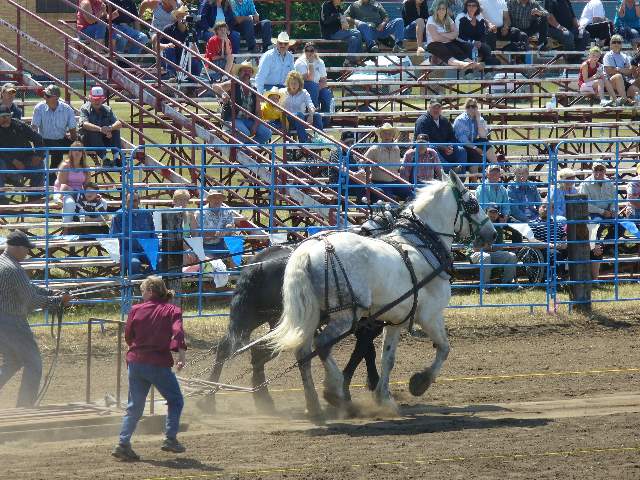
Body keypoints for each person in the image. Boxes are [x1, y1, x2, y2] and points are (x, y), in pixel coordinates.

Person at [112, 276, 187, 461]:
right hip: (158, 363)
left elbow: (128, 336)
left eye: (143, 291)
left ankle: (123, 443)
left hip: (136, 363)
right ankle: (170, 438)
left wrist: (136, 348)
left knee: (135, 406)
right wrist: (181, 355)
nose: (141, 294)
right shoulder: (172, 310)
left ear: (151, 291)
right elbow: (178, 333)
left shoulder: (136, 310)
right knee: (175, 400)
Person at [0, 230, 71, 407]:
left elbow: (27, 287)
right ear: (16, 248)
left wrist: (51, 293)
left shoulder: (5, 262)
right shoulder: (13, 269)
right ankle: (25, 406)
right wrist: (58, 300)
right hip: (12, 322)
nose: (28, 252)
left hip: (3, 321)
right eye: (26, 249)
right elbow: (31, 300)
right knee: (33, 364)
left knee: (13, 361)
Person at [213, 61, 272, 145]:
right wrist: (223, 93)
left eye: (249, 71)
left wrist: (255, 126)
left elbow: (258, 112)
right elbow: (215, 86)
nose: (247, 73)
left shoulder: (254, 89)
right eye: (244, 71)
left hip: (248, 120)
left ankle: (245, 151)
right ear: (239, 72)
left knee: (267, 133)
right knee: (245, 133)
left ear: (252, 74)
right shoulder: (233, 83)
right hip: (232, 119)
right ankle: (244, 151)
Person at [31, 84, 78, 184]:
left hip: (60, 139)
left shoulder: (67, 109)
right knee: (57, 148)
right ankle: (52, 178)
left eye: (47, 96)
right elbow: (34, 128)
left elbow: (73, 130)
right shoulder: (39, 108)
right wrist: (35, 143)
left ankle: (77, 175)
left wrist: (76, 143)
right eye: (45, 95)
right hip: (44, 140)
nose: (45, 97)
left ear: (56, 98)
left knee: (79, 146)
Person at [0, 106, 45, 205]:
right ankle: (1, 198)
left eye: (8, 116)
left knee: (40, 164)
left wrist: (39, 155)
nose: (6, 119)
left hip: (25, 161)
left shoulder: (19, 125)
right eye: (2, 117)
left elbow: (38, 139)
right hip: (5, 164)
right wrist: (13, 161)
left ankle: (35, 196)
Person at [470, 205, 517, 289]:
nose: (493, 214)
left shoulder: (498, 227)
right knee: (486, 257)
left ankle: (507, 284)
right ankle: (484, 286)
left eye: (495, 212)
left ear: (498, 214)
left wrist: (488, 247)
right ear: (485, 213)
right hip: (475, 254)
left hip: (491, 253)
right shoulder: (478, 225)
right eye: (491, 212)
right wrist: (488, 247)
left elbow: (500, 247)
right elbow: (475, 249)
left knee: (511, 256)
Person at [414, 99, 467, 172]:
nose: (436, 110)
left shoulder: (444, 120)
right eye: (434, 107)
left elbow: (452, 136)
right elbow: (423, 141)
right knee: (431, 149)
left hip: (444, 149)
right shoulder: (422, 121)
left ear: (441, 109)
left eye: (438, 107)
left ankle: (461, 176)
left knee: (461, 150)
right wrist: (442, 147)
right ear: (429, 108)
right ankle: (450, 170)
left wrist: (450, 146)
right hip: (425, 149)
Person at [110, 192, 157, 275]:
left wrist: (154, 248)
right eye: (129, 201)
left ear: (139, 201)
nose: (132, 203)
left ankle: (144, 280)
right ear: (125, 202)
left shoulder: (146, 214)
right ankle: (138, 284)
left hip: (146, 249)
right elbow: (114, 237)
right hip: (128, 250)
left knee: (160, 260)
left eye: (134, 201)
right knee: (134, 263)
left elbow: (152, 233)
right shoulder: (118, 216)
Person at [453, 98, 497, 182]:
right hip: (460, 146)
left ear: (476, 108)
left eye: (473, 106)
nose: (470, 109)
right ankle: (474, 184)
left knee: (485, 143)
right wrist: (476, 148)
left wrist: (477, 118)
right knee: (475, 154)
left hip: (472, 143)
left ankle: (496, 168)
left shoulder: (479, 119)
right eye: (468, 106)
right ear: (465, 108)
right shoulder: (460, 120)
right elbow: (463, 140)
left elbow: (483, 136)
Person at [360, 123, 408, 200]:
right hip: (379, 182)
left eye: (389, 133)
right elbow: (362, 162)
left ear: (393, 135)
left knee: (410, 193)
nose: (387, 135)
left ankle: (406, 210)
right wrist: (367, 165)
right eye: (384, 133)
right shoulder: (374, 149)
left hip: (395, 181)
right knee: (389, 198)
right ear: (381, 136)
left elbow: (398, 166)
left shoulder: (396, 148)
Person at [426, 0, 479, 69]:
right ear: (436, 10)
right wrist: (450, 37)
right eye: (439, 9)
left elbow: (456, 33)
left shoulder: (448, 19)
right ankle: (461, 64)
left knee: (457, 47)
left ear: (446, 10)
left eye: (443, 9)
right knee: (444, 49)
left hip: (447, 42)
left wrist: (442, 34)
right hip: (434, 44)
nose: (441, 11)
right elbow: (436, 38)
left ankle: (470, 62)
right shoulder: (431, 20)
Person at [79, 86, 123, 167]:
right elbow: (85, 124)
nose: (97, 101)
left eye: (99, 99)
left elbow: (119, 123)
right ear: (90, 98)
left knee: (116, 131)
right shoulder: (85, 109)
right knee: (93, 131)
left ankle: (116, 158)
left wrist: (110, 128)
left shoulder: (107, 109)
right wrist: (100, 129)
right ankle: (105, 159)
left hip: (103, 138)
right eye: (94, 99)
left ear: (103, 99)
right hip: (87, 140)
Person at [294, 42, 334, 127]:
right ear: (304, 51)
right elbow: (309, 78)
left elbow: (324, 81)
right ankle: (313, 116)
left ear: (315, 51)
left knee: (326, 94)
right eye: (307, 50)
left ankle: (325, 122)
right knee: (312, 85)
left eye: (311, 50)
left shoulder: (320, 62)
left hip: (317, 88)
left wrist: (317, 88)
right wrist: (311, 63)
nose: (309, 53)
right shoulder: (300, 62)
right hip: (302, 88)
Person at [579, 162, 618, 246]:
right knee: (597, 225)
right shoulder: (585, 184)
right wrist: (602, 212)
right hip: (592, 213)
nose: (599, 172)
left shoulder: (609, 182)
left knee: (622, 225)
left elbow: (614, 199)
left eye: (601, 169)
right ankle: (595, 248)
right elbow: (586, 204)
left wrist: (613, 210)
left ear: (605, 171)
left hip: (608, 212)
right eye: (596, 169)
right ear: (592, 171)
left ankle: (604, 245)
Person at [159, 6, 204, 79]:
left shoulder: (192, 31)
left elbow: (196, 51)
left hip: (185, 59)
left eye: (186, 16)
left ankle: (193, 86)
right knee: (169, 49)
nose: (184, 18)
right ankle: (172, 75)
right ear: (177, 17)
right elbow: (158, 45)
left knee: (196, 63)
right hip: (171, 59)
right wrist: (167, 45)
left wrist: (193, 47)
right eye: (182, 16)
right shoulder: (168, 29)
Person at [281, 71, 324, 144]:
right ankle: (304, 142)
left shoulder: (304, 92)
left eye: (296, 83)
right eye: (292, 83)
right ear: (288, 83)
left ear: (300, 84)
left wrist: (311, 115)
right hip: (287, 119)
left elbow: (311, 105)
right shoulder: (282, 92)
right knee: (299, 114)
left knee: (317, 116)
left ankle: (320, 140)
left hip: (300, 119)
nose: (293, 85)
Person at [53, 142, 89, 224]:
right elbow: (63, 185)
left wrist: (93, 193)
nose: (77, 152)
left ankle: (91, 229)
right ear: (71, 152)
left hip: (78, 193)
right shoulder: (65, 165)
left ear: (83, 153)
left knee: (101, 202)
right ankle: (66, 230)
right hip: (63, 192)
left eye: (79, 150)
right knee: (70, 203)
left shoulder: (86, 167)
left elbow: (87, 185)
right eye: (74, 150)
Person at [320, 0, 364, 67]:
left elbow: (343, 20)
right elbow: (325, 21)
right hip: (329, 33)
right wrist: (337, 16)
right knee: (357, 33)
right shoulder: (326, 5)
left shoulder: (339, 8)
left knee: (354, 39)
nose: (341, 1)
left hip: (339, 32)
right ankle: (358, 58)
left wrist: (344, 24)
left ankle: (347, 61)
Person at [455, 0, 500, 65]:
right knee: (471, 48)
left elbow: (482, 34)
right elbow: (458, 35)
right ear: (466, 7)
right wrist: (473, 42)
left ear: (477, 7)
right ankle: (469, 73)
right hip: (462, 43)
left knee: (486, 47)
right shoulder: (460, 17)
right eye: (469, 5)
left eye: (474, 6)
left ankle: (487, 71)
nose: (471, 7)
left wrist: (480, 42)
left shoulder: (480, 17)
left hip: (477, 43)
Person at [195, 190, 235, 258]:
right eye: (214, 197)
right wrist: (217, 233)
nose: (217, 200)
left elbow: (231, 228)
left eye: (220, 198)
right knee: (210, 263)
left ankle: (235, 268)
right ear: (209, 199)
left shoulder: (227, 211)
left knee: (235, 247)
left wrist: (229, 228)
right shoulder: (200, 213)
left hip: (222, 242)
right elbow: (198, 234)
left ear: (222, 200)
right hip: (205, 244)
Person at [602, 34, 639, 106]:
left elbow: (629, 71)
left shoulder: (625, 56)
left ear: (621, 44)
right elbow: (609, 71)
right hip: (609, 83)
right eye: (614, 42)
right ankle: (625, 100)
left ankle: (636, 113)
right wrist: (623, 70)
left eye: (618, 42)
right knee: (618, 76)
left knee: (636, 91)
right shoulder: (608, 55)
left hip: (624, 82)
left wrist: (618, 68)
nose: (616, 44)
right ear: (611, 44)